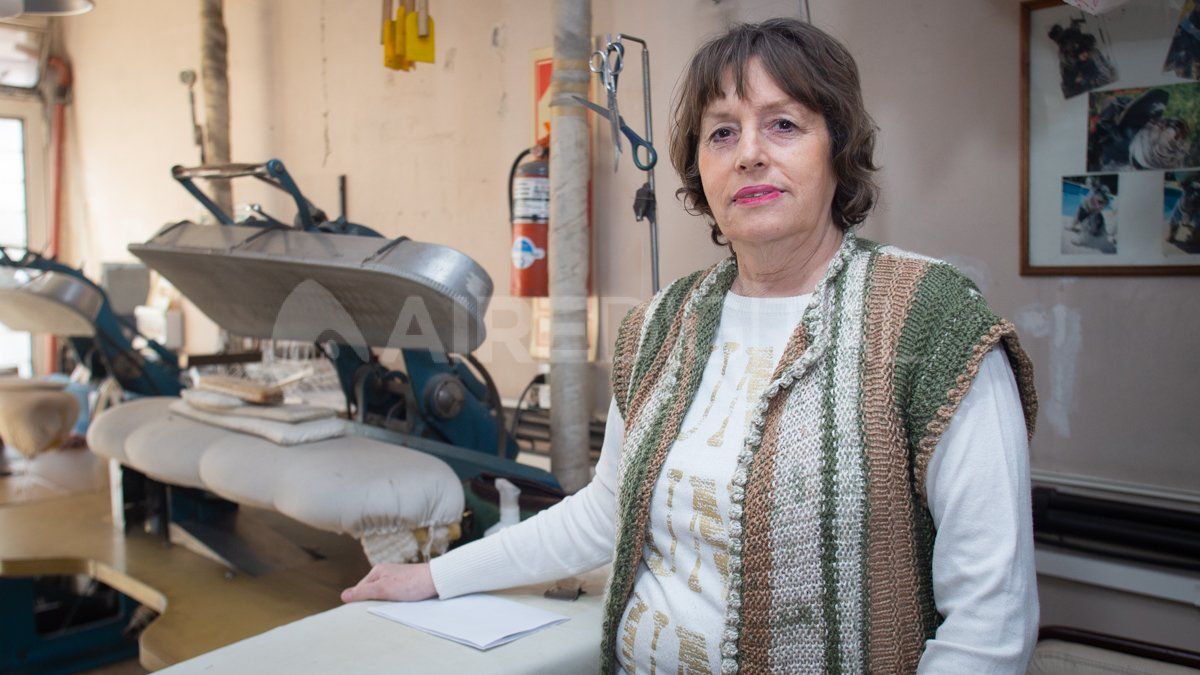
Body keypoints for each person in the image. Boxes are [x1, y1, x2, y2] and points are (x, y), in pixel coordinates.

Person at [343, 18, 1039, 674]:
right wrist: (432, 575)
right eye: (723, 133)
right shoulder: (660, 327)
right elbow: (602, 513)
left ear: (840, 149)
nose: (751, 154)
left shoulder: (928, 323)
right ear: (699, 167)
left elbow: (991, 621)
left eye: (785, 124)